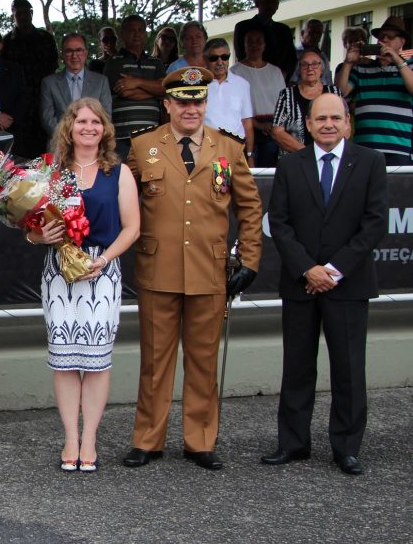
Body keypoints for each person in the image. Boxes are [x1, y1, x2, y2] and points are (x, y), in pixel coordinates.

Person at [123, 67, 263, 471]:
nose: (191, 109)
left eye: (198, 101)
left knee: (203, 361)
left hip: (209, 269)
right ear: (167, 104)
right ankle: (147, 440)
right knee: (155, 361)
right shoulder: (143, 145)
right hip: (158, 269)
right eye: (182, 102)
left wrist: (249, 259)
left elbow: (250, 208)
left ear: (205, 104)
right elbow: (121, 201)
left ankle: (200, 441)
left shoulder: (229, 147)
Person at [263, 93, 388, 475]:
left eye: (335, 117)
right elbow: (279, 223)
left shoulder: (370, 161)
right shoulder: (290, 164)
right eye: (320, 118)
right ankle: (293, 443)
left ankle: (346, 448)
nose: (328, 124)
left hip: (348, 284)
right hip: (301, 284)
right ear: (309, 124)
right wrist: (308, 269)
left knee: (348, 369)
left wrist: (333, 270)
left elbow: (375, 223)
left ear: (348, 122)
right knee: (297, 367)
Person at [27, 98, 138, 472]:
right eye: (81, 122)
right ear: (69, 128)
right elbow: (30, 228)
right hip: (59, 271)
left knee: (96, 361)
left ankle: (89, 438)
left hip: (102, 270)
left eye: (95, 122)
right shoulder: (50, 172)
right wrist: (38, 237)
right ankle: (70, 439)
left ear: (105, 129)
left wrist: (103, 260)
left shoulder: (118, 172)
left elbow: (132, 228)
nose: (88, 128)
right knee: (64, 360)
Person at [335, 16, 413, 167]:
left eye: (391, 37)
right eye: (381, 37)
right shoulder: (361, 68)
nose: (384, 40)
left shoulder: (408, 67)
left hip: (398, 148)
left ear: (402, 42)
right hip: (364, 147)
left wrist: (397, 60)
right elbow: (339, 93)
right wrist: (348, 63)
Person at [102, 15, 166, 161]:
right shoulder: (114, 61)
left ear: (145, 34)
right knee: (123, 175)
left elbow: (165, 89)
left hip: (152, 135)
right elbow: (126, 92)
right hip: (123, 138)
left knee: (150, 174)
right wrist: (154, 89)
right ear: (122, 34)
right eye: (132, 30)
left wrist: (136, 82)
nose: (137, 34)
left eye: (140, 30)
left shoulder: (156, 62)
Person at [2, 0, 59, 156]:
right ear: (13, 16)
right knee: (18, 147)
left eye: (25, 13)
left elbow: (53, 69)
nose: (22, 17)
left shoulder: (45, 38)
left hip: (42, 97)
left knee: (42, 145)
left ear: (31, 13)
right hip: (16, 103)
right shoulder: (7, 42)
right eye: (18, 14)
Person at [230, 28, 287, 167]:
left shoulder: (275, 71)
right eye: (250, 42)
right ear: (244, 45)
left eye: (258, 41)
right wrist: (258, 125)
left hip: (272, 129)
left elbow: (284, 103)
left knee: (267, 170)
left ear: (264, 45)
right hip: (246, 127)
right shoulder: (235, 72)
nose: (254, 45)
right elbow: (233, 106)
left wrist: (274, 125)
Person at [272, 49, 342, 159]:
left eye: (315, 64)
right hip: (295, 160)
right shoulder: (287, 95)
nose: (310, 68)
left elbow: (345, 127)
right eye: (304, 64)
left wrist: (324, 153)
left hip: (328, 159)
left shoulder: (334, 93)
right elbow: (277, 132)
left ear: (322, 69)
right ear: (299, 70)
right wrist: (307, 153)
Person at [40, 33, 111, 137]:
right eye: (69, 51)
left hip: (91, 142)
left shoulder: (101, 81)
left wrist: (86, 138)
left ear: (86, 53)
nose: (74, 55)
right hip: (60, 143)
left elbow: (106, 117)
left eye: (79, 50)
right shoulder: (49, 83)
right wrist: (69, 139)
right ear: (62, 55)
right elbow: (47, 119)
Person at [203, 38, 255, 166]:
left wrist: (250, 155)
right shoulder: (198, 84)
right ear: (205, 59)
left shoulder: (242, 84)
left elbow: (247, 123)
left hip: (236, 149)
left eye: (224, 57)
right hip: (206, 149)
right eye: (214, 58)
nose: (220, 62)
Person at [233, 0, 297, 82]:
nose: (270, 5)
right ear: (257, 3)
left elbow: (292, 57)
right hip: (253, 79)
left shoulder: (284, 29)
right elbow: (241, 55)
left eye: (274, 2)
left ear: (278, 5)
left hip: (280, 80)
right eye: (266, 1)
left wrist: (283, 74)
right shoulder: (243, 27)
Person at [289, 19, 333, 86]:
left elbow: (328, 82)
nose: (315, 36)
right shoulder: (293, 54)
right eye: (311, 32)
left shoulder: (322, 56)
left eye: (319, 33)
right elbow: (292, 82)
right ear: (302, 33)